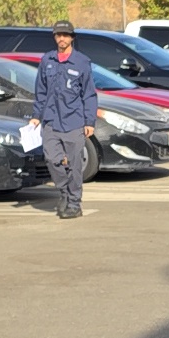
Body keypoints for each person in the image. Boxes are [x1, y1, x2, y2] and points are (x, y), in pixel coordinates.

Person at [29, 20, 97, 219]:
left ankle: (74, 204)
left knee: (75, 164)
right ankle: (65, 193)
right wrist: (36, 117)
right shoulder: (47, 60)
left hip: (74, 122)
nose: (61, 38)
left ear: (72, 38)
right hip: (51, 120)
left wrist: (89, 122)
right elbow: (40, 91)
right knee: (52, 159)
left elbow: (89, 94)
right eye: (58, 35)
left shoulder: (82, 62)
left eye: (65, 35)